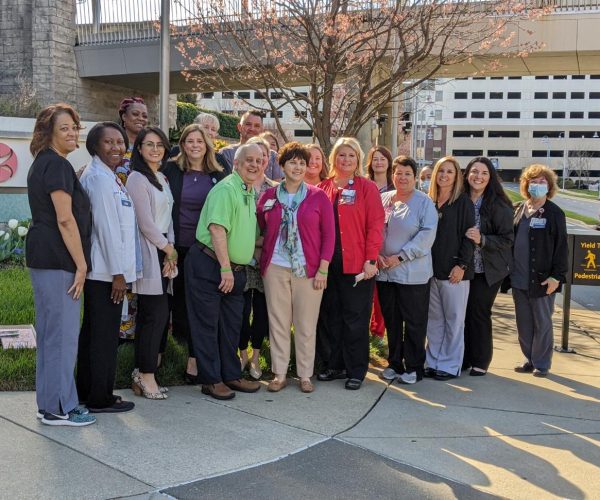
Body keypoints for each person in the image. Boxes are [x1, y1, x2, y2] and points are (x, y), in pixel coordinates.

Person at [26, 103, 96, 427]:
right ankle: (59, 409)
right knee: (63, 336)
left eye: (74, 126)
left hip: (46, 257)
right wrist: (81, 266)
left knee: (53, 335)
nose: (72, 132)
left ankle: (49, 404)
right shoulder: (56, 166)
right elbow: (65, 219)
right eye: (65, 127)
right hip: (58, 259)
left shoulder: (47, 163)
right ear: (49, 131)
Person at [185, 143, 263, 400]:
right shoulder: (226, 189)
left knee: (231, 326)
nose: (254, 165)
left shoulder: (249, 191)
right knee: (207, 325)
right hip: (212, 265)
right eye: (248, 160)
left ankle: (231, 374)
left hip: (235, 270)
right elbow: (217, 229)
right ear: (237, 164)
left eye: (258, 161)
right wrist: (226, 268)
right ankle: (211, 380)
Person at [257, 142, 335, 393]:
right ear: (282, 166)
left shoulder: (317, 196)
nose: (298, 166)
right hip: (276, 267)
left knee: (306, 323)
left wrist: (323, 269)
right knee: (278, 322)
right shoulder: (269, 196)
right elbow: (261, 226)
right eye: (292, 162)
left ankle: (304, 374)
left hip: (308, 270)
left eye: (302, 162)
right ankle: (279, 374)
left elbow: (329, 235)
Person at [77, 122, 137, 413]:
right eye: (108, 143)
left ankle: (87, 392)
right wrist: (118, 274)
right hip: (105, 273)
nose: (116, 148)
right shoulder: (100, 180)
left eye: (120, 142)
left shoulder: (107, 176)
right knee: (103, 337)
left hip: (106, 271)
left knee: (94, 334)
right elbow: (107, 229)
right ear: (94, 146)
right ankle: (100, 398)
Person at [317, 137, 385, 390]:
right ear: (334, 157)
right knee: (330, 317)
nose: (346, 160)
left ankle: (355, 370)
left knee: (355, 320)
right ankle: (334, 365)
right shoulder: (323, 187)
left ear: (358, 160)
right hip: (327, 265)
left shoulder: (366, 188)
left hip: (357, 265)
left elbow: (376, 225)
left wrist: (370, 260)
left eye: (351, 156)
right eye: (341, 155)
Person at [162, 124, 226, 384]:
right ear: (183, 144)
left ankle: (194, 361)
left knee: (202, 307)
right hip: (176, 247)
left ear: (207, 144)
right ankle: (164, 354)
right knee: (177, 304)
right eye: (190, 141)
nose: (195, 145)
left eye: (200, 140)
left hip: (207, 250)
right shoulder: (171, 170)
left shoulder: (219, 172)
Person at [376, 156, 438, 385]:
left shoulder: (424, 203)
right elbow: (373, 228)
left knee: (414, 322)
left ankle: (413, 367)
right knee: (392, 322)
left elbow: (426, 236)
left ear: (414, 177)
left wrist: (400, 256)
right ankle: (394, 363)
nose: (402, 177)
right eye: (398, 173)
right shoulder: (383, 199)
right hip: (385, 273)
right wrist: (376, 254)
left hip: (412, 275)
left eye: (407, 174)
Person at [126, 127, 177, 400]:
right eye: (149, 144)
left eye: (160, 144)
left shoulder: (161, 177)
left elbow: (167, 218)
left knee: (160, 316)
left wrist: (170, 251)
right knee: (151, 316)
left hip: (164, 254)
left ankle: (145, 373)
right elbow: (145, 223)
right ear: (140, 148)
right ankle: (144, 375)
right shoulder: (137, 178)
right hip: (149, 253)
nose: (155, 149)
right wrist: (167, 248)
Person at [510, 164, 567, 377]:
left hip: (543, 280)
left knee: (542, 323)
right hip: (518, 278)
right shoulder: (518, 209)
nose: (537, 185)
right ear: (526, 184)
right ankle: (529, 358)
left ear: (549, 186)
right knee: (523, 322)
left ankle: (542, 363)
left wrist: (557, 277)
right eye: (533, 181)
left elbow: (562, 248)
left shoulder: (554, 214)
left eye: (542, 182)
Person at [463, 157, 514, 376]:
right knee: (462, 313)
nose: (478, 177)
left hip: (488, 269)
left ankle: (481, 360)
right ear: (467, 174)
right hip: (464, 267)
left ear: (490, 177)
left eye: (484, 173)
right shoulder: (461, 199)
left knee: (478, 313)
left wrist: (482, 239)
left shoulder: (498, 204)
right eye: (474, 171)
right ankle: (463, 357)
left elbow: (507, 239)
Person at [426, 156, 475, 381]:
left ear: (457, 177)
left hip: (454, 271)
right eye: (441, 171)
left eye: (450, 172)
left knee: (454, 319)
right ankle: (433, 360)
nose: (444, 175)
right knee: (434, 319)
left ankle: (449, 364)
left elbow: (469, 236)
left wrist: (461, 265)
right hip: (431, 270)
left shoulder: (463, 202)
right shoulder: (429, 201)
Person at [238, 136, 278, 379]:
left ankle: (255, 356)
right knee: (241, 310)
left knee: (262, 311)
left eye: (262, 157)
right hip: (241, 259)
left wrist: (257, 244)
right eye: (252, 157)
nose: (257, 162)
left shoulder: (275, 189)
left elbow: (276, 226)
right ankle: (241, 353)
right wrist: (246, 245)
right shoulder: (237, 186)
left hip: (265, 259)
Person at [116, 97, 149, 341]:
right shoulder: (115, 150)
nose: (140, 119)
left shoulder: (148, 150)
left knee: (142, 281)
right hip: (120, 225)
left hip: (145, 225)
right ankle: (121, 332)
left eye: (144, 115)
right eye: (135, 114)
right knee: (122, 280)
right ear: (124, 118)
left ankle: (141, 332)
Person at [365, 146, 394, 340]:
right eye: (375, 159)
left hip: (388, 247)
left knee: (383, 296)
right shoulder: (364, 185)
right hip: (367, 246)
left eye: (383, 159)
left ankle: (378, 334)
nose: (379, 162)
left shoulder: (396, 187)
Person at [218, 110, 283, 180]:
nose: (252, 128)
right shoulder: (226, 153)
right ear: (239, 127)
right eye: (248, 124)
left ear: (262, 130)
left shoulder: (272, 156)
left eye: (257, 126)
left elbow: (277, 187)